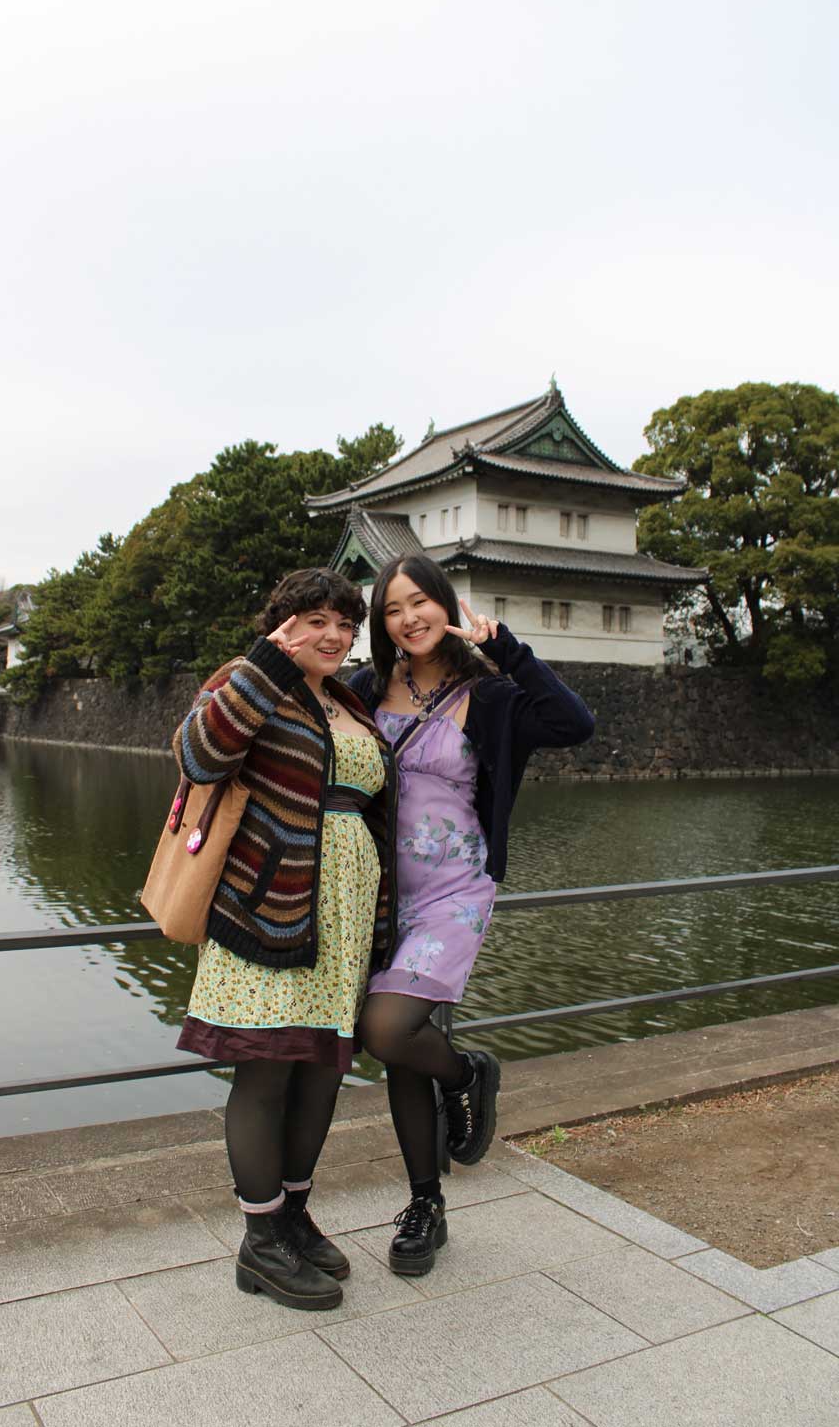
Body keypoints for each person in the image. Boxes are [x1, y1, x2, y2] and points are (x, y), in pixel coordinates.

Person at [347, 555, 594, 1275]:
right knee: (397, 1049)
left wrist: (508, 648)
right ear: (380, 622)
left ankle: (463, 1074)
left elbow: (573, 724)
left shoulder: (488, 691)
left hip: (454, 891)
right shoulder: (364, 689)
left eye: (420, 601)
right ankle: (426, 1207)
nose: (409, 618)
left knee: (386, 1028)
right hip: (382, 896)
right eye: (393, 608)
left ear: (446, 604)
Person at [174, 568, 396, 1311]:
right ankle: (260, 1241)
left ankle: (294, 1218)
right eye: (315, 620)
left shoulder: (345, 697)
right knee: (266, 1071)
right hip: (270, 907)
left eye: (345, 622)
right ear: (282, 624)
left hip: (343, 912)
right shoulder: (249, 679)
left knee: (321, 1070)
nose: (333, 635)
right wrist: (267, 665)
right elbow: (200, 757)